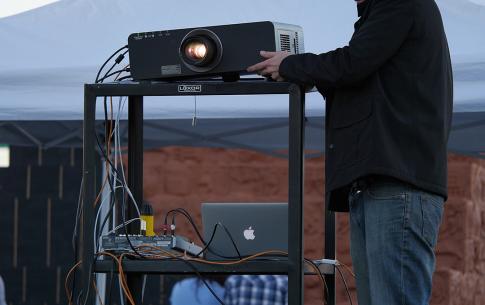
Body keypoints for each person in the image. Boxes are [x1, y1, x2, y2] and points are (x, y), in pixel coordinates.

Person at [248, 0, 452, 304]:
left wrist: (291, 65)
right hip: (378, 185)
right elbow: (354, 75)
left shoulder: (401, 4)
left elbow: (352, 64)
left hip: (398, 187)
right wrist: (304, 71)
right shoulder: (388, 15)